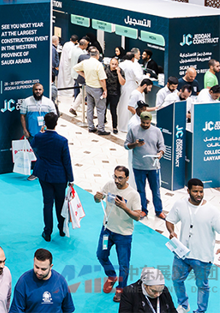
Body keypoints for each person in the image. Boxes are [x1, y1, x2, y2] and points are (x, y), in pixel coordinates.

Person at [166, 178, 220, 313]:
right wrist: (171, 232)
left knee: (202, 286)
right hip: (182, 253)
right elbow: (169, 220)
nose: (199, 194)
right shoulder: (180, 204)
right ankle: (184, 305)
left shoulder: (212, 211)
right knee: (176, 280)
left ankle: (200, 311)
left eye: (201, 191)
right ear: (188, 191)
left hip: (202, 257)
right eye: (195, 191)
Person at [93, 165, 141, 302]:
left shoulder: (133, 195)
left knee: (123, 264)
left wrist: (125, 208)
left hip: (123, 235)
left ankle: (121, 289)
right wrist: (97, 197)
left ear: (127, 178)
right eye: (115, 176)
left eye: (120, 178)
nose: (116, 180)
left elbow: (137, 217)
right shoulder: (109, 185)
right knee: (101, 255)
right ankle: (111, 276)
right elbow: (98, 199)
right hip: (107, 231)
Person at [32, 113, 73, 241]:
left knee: (47, 203)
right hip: (60, 177)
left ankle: (47, 232)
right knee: (61, 204)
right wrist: (71, 178)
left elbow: (33, 146)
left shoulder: (39, 137)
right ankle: (62, 229)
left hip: (44, 175)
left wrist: (40, 133)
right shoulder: (62, 140)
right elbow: (67, 161)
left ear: (45, 123)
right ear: (56, 123)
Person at [125, 111, 165, 220]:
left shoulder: (156, 131)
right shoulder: (134, 130)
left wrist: (160, 153)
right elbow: (126, 145)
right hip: (138, 166)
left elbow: (162, 146)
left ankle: (159, 211)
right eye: (143, 122)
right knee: (141, 190)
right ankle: (143, 210)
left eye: (148, 123)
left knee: (156, 190)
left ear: (151, 121)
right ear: (140, 120)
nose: (146, 125)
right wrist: (135, 144)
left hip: (153, 166)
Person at [9, 248, 74, 312]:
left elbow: (68, 309)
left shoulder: (61, 282)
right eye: (37, 267)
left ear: (51, 266)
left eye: (43, 269)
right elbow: (16, 310)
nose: (39, 272)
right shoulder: (23, 282)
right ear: (34, 261)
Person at [19, 83, 56, 180]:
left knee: (45, 154)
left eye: (39, 89)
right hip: (32, 134)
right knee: (36, 155)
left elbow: (54, 117)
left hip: (46, 134)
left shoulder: (48, 102)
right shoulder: (26, 102)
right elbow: (22, 116)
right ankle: (36, 173)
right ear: (33, 90)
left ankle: (44, 172)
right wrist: (25, 130)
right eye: (36, 89)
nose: (38, 91)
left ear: (43, 90)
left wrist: (52, 130)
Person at [74, 48, 109, 135]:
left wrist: (84, 75)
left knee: (90, 108)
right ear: (97, 55)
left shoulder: (85, 62)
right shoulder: (98, 65)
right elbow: (102, 79)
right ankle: (101, 128)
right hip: (97, 88)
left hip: (88, 87)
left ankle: (91, 126)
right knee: (100, 109)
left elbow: (75, 68)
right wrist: (105, 90)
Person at [118, 51, 144, 131]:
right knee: (130, 105)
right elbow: (139, 77)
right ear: (133, 58)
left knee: (122, 104)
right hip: (131, 86)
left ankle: (121, 125)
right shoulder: (133, 65)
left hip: (123, 85)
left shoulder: (121, 64)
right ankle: (127, 127)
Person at [68, 38, 88, 116]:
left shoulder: (74, 48)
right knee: (80, 91)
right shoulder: (81, 53)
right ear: (83, 45)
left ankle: (75, 105)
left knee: (78, 89)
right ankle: (76, 106)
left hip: (74, 72)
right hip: (78, 74)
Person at [105, 57, 125, 134]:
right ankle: (102, 121)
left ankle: (114, 127)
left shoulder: (120, 71)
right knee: (103, 108)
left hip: (115, 93)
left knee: (113, 110)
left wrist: (118, 73)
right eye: (112, 64)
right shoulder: (106, 68)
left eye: (115, 64)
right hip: (106, 91)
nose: (114, 66)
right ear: (110, 64)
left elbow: (122, 82)